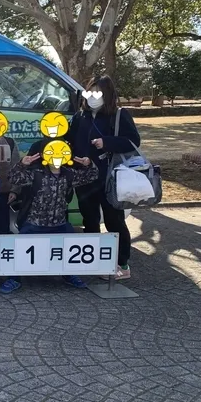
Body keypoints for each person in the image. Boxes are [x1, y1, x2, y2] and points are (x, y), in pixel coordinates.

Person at [0, 142, 98, 294]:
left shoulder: (69, 174)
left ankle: (69, 274)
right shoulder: (36, 174)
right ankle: (14, 278)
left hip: (59, 223)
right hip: (35, 223)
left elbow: (92, 175)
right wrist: (21, 164)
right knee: (19, 249)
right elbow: (13, 178)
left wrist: (89, 164)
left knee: (70, 246)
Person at [68, 76, 139, 280]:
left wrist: (106, 142)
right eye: (90, 92)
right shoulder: (80, 117)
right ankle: (93, 262)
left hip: (109, 178)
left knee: (114, 221)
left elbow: (133, 141)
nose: (92, 97)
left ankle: (122, 264)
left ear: (107, 94)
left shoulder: (119, 115)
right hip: (84, 178)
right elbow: (70, 140)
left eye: (98, 92)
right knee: (89, 220)